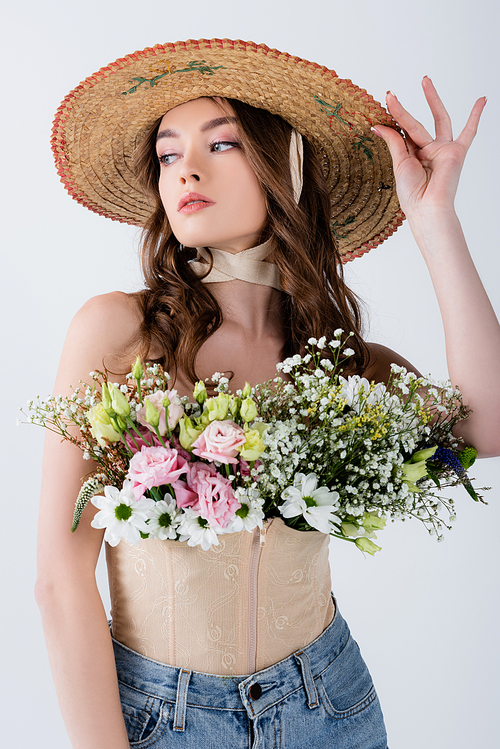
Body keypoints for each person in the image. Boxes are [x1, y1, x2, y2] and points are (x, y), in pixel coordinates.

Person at [36, 40, 500, 748]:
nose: (185, 167)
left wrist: (436, 223)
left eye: (221, 144)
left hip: (331, 705)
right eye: (168, 153)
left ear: (286, 167)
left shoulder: (338, 361)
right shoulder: (117, 331)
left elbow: (485, 430)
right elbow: (59, 581)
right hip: (166, 718)